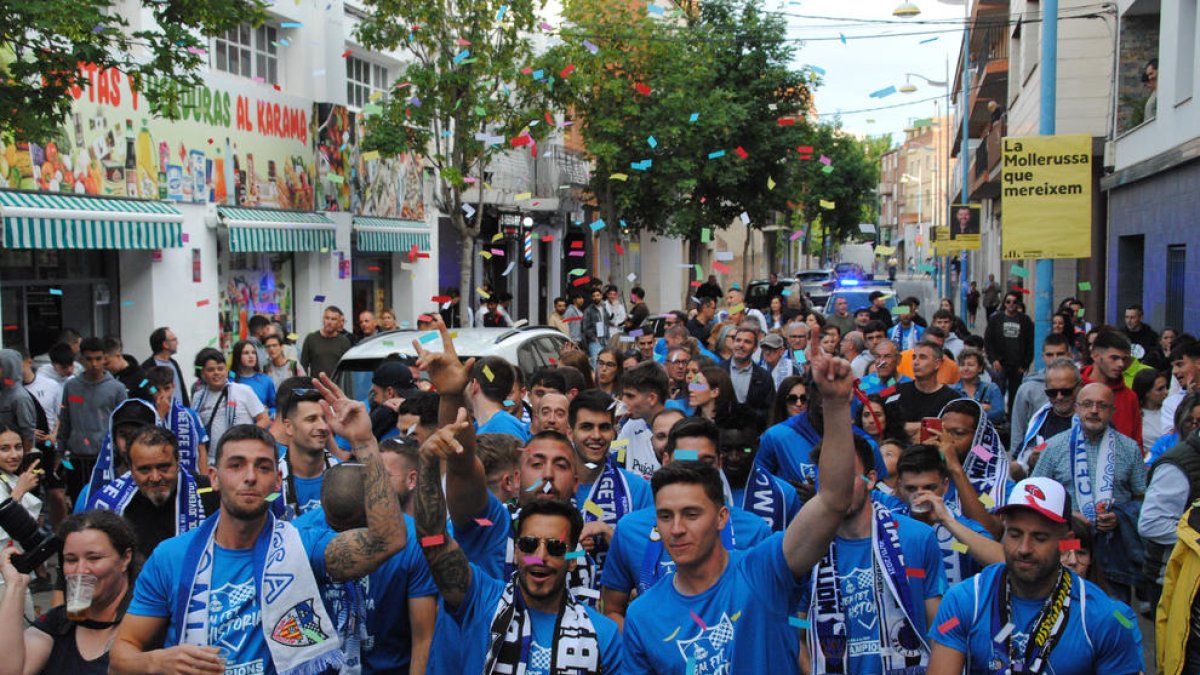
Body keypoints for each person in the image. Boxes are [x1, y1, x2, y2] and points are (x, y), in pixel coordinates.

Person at [110, 375, 409, 675]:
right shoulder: (171, 557)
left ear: (277, 481)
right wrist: (156, 661)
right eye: (236, 465)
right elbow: (120, 656)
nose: (250, 476)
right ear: (213, 477)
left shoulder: (303, 545)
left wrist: (365, 442)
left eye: (263, 467)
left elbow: (388, 541)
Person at [623, 337, 860, 672]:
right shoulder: (642, 615)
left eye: (692, 514)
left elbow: (834, 499)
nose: (676, 529)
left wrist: (836, 406)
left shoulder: (761, 570)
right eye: (665, 516)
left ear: (722, 517)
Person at [927, 476, 1144, 674]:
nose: (1024, 548)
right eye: (1014, 534)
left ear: (1065, 541)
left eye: (1039, 537)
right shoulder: (965, 600)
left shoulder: (1105, 616)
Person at [797, 432, 947, 673]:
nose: (835, 487)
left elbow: (939, 629)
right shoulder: (805, 548)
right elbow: (797, 628)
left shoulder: (917, 538)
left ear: (870, 478)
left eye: (845, 475)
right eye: (826, 478)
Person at [600, 420, 774, 627]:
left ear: (719, 463)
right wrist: (644, 649)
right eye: (686, 461)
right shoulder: (630, 529)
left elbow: (773, 611)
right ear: (665, 460)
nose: (695, 472)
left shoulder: (754, 530)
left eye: (706, 462)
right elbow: (611, 609)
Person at [293, 461, 438, 673]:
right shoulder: (298, 536)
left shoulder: (413, 539)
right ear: (322, 505)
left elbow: (423, 639)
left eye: (357, 527)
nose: (348, 539)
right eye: (335, 528)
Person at [1031, 383, 1148, 601]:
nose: (1094, 410)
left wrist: (1120, 515)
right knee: (1063, 606)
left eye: (1102, 405)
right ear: (1076, 408)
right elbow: (1034, 496)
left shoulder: (1129, 448)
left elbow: (1144, 500)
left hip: (1113, 549)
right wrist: (1068, 516)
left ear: (1112, 411)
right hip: (1068, 545)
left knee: (1113, 611)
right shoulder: (1054, 446)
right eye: (1087, 404)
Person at [0, 511, 140, 675]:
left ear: (125, 559)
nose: (81, 570)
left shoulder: (146, 623)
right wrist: (16, 585)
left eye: (94, 558)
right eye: (71, 560)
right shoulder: (59, 623)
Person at [83, 426, 206, 559]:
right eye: (144, 470)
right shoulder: (109, 504)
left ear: (178, 462)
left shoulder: (208, 492)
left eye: (163, 467)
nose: (155, 478)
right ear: (130, 468)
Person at [895, 444, 1000, 586]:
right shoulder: (888, 523)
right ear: (900, 487)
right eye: (911, 488)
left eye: (929, 488)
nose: (920, 496)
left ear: (945, 485)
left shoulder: (960, 526)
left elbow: (1002, 561)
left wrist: (947, 521)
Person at [58, 338, 127, 502]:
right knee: (77, 503)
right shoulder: (71, 386)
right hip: (76, 457)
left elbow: (123, 426)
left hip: (106, 458)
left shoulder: (117, 388)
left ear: (105, 358)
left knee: (105, 504)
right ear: (81, 359)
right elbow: (65, 421)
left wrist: (123, 457)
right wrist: (60, 453)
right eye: (89, 359)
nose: (94, 364)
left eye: (98, 358)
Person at [190, 347, 268, 455]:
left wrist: (247, 437)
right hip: (211, 461)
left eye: (220, 369)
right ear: (202, 373)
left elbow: (264, 419)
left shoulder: (243, 390)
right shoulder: (198, 398)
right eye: (211, 370)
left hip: (241, 455)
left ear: (226, 371)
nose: (216, 373)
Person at [1013, 358, 1081, 480]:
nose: (1059, 397)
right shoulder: (1039, 422)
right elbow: (1017, 465)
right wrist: (1030, 460)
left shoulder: (1091, 419)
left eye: (1066, 392)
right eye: (1052, 392)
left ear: (1079, 387)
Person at [886, 340, 963, 443]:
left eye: (922, 357)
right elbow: (886, 424)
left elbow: (956, 432)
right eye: (914, 357)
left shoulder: (953, 399)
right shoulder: (897, 391)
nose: (915, 362)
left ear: (937, 364)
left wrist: (912, 427)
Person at [1010, 334, 1073, 452]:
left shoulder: (1079, 385)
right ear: (1043, 356)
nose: (1055, 358)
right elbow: (1018, 428)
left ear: (1069, 355)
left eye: (1060, 354)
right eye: (1050, 355)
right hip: (1038, 452)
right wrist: (1018, 459)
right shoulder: (1027, 389)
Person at [1082, 330, 1142, 448]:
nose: (1121, 364)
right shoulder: (1073, 389)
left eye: (1124, 359)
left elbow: (1136, 444)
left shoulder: (1130, 397)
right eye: (1114, 358)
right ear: (1095, 355)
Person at [984, 291, 1036, 415]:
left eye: (1014, 302)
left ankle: (1012, 418)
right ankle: (998, 415)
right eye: (1008, 301)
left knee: (1015, 393)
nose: (1011, 304)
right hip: (1000, 363)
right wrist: (993, 359)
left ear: (1018, 303)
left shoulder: (1025, 320)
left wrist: (1025, 364)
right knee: (998, 390)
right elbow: (988, 340)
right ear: (1004, 303)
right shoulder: (996, 319)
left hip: (1018, 365)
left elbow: (1030, 343)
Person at [616, 361, 669, 479]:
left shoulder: (680, 430)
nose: (623, 401)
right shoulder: (630, 425)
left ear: (651, 398)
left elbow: (694, 456)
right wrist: (616, 428)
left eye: (630, 396)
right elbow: (617, 452)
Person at [723, 326, 773, 430]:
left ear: (755, 348)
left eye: (747, 342)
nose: (741, 345)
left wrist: (750, 414)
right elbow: (697, 388)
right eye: (738, 340)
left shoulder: (764, 377)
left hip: (750, 437)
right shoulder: (716, 369)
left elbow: (770, 410)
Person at [952, 347, 1006, 426]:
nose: (966, 368)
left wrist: (966, 417)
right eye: (962, 365)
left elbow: (999, 414)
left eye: (970, 365)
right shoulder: (951, 390)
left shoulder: (991, 388)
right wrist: (980, 409)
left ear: (980, 368)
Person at [0, 350, 38, 452]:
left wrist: (24, 457)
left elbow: (28, 432)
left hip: (15, 456)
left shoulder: (20, 397)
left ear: (8, 368)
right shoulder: (3, 392)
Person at [300, 306, 354, 378]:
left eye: (333, 319)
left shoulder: (344, 342)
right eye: (327, 318)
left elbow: (348, 369)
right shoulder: (311, 338)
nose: (329, 322)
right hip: (316, 387)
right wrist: (305, 385)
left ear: (339, 322)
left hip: (336, 387)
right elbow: (303, 366)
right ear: (323, 319)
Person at [141, 327, 189, 407]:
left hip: (179, 412)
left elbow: (181, 388)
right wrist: (156, 392)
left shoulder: (174, 363)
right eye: (174, 340)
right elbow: (143, 385)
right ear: (165, 344)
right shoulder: (147, 366)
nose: (177, 343)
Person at [228, 339, 277, 411]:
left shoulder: (266, 380)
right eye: (246, 353)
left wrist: (268, 412)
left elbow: (275, 407)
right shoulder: (230, 381)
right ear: (237, 356)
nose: (251, 356)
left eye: (253, 353)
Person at [1134, 368, 1170, 454]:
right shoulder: (1135, 415)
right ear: (1146, 392)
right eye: (1160, 389)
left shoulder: (1170, 409)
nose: (1166, 392)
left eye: (1166, 387)